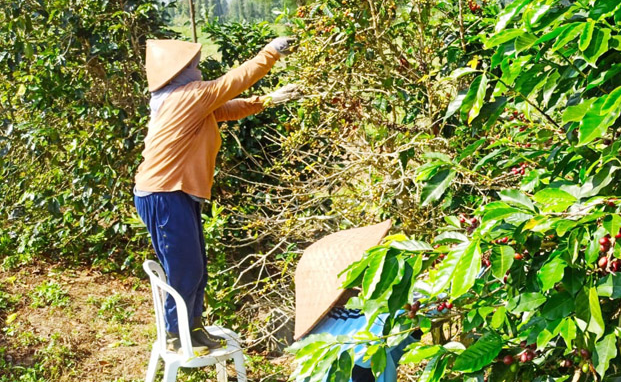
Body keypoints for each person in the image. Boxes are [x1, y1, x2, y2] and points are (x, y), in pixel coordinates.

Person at [134, 37, 300, 354]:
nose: (198, 69)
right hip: (164, 192)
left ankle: (192, 329)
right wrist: (271, 52)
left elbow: (226, 109)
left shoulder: (182, 98)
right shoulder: (187, 96)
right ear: (179, 71)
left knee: (196, 267)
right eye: (193, 65)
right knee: (185, 269)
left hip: (174, 192)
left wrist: (269, 100)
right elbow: (232, 83)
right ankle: (175, 333)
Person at [293, 220, 420, 382]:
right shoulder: (357, 319)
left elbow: (391, 351)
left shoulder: (313, 333)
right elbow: (427, 303)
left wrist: (414, 327)